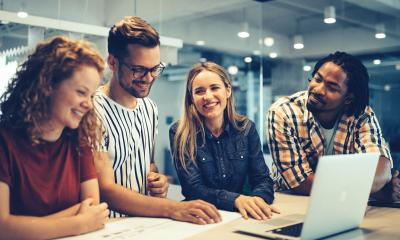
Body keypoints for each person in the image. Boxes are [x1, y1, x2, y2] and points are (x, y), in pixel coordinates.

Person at [94, 16, 221, 224]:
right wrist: (173, 208)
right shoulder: (93, 110)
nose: (149, 77)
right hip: (107, 227)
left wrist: (158, 180)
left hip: (146, 224)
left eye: (155, 68)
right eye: (138, 69)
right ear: (113, 62)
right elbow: (104, 188)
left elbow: (149, 164)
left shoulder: (149, 108)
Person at [0, 36, 109, 239]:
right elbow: (2, 227)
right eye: (81, 92)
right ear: (47, 86)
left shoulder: (79, 141)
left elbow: (93, 209)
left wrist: (24, 227)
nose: (89, 104)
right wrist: (77, 223)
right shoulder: (4, 141)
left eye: (92, 96)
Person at [266, 51, 399, 201]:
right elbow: (299, 182)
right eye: (317, 79)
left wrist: (374, 183)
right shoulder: (283, 112)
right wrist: (378, 192)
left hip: (344, 203)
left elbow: (380, 167)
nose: (318, 89)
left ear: (348, 97)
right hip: (291, 201)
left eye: (332, 87)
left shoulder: (361, 114)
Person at [170, 62, 278, 220]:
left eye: (214, 88)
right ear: (192, 99)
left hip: (239, 216)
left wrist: (258, 201)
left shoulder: (246, 128)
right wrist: (235, 200)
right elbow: (193, 189)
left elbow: (262, 179)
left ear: (227, 90)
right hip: (200, 218)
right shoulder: (180, 132)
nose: (207, 96)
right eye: (199, 91)